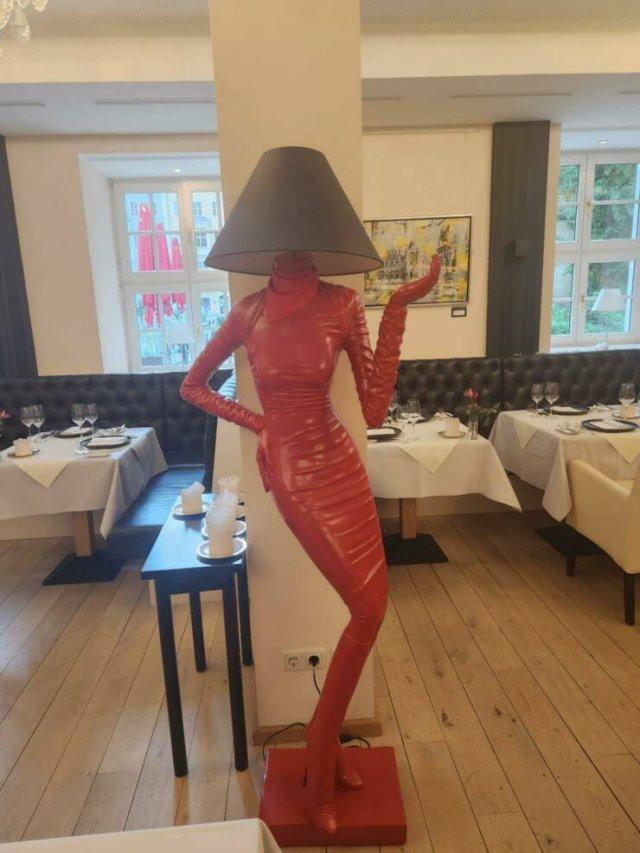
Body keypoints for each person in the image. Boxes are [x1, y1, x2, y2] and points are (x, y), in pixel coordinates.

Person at [181, 250, 441, 835]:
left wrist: (397, 307)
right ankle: (322, 751)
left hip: (339, 459)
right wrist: (259, 424)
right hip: (295, 473)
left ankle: (325, 740)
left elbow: (374, 407)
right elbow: (192, 386)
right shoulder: (247, 312)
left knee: (371, 607)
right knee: (367, 608)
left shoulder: (343, 304)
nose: (293, 250)